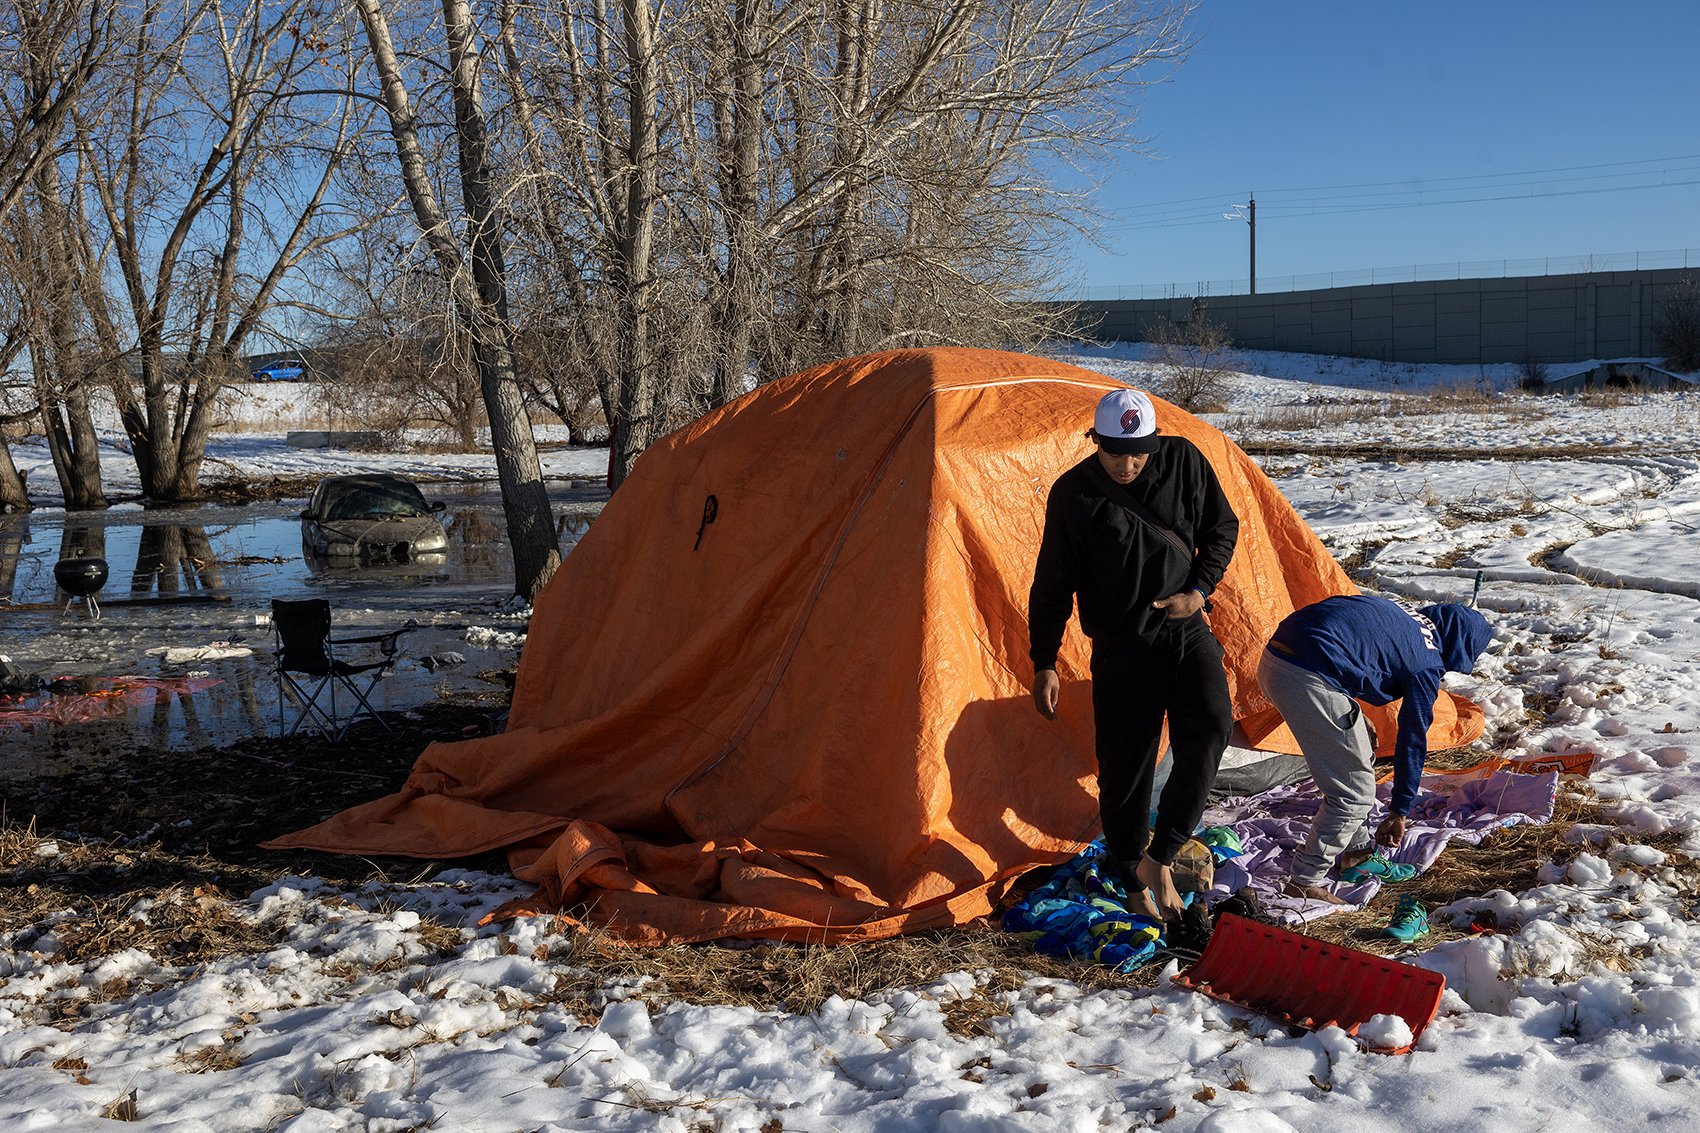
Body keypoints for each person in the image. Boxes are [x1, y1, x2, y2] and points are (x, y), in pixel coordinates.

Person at [1029, 388, 1239, 921]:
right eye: (1115, 452)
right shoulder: (1074, 495)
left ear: (1154, 442)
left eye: (1139, 453)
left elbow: (1222, 529)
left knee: (1213, 724)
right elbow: (1053, 583)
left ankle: (1161, 854)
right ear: (1095, 441)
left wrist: (1199, 591)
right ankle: (1132, 875)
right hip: (1123, 646)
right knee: (1126, 767)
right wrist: (1045, 660)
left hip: (1186, 630)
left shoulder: (1186, 461)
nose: (1127, 464)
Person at [1257, 595, 1492, 903]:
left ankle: (1357, 855)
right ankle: (1304, 880)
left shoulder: (1405, 614)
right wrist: (1399, 811)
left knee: (1361, 746)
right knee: (1352, 796)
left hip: (1276, 658)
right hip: (1305, 675)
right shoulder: (1427, 662)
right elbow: (1413, 739)